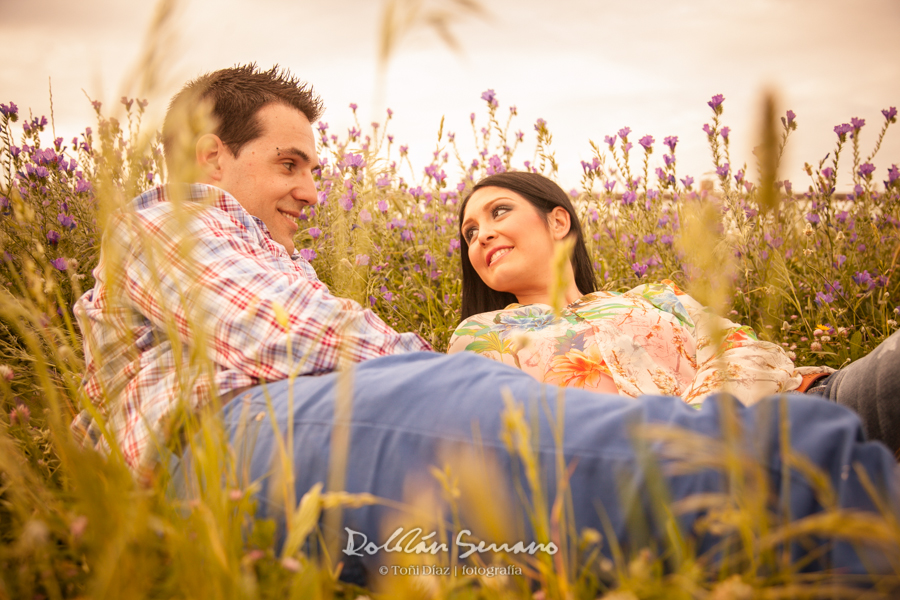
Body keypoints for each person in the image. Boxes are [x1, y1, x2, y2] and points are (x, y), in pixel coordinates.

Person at [72, 65, 899, 585]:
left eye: (315, 168)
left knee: (857, 400)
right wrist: (421, 360)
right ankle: (842, 503)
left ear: (562, 222)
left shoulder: (652, 299)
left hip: (792, 400)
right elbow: (291, 335)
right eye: (290, 163)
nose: (313, 191)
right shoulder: (170, 221)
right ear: (206, 156)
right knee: (525, 443)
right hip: (234, 434)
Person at [449, 170, 900, 456]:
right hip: (678, 487)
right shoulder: (480, 337)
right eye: (470, 233)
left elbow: (751, 351)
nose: (482, 235)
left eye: (499, 212)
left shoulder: (657, 296)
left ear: (558, 221)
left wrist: (706, 428)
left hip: (804, 409)